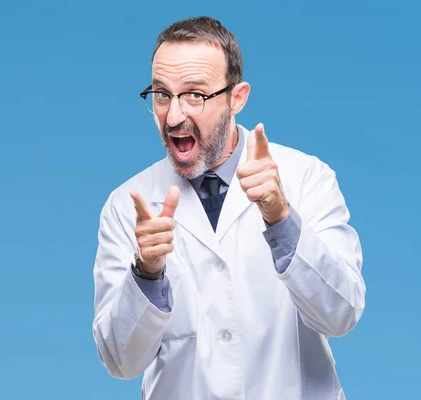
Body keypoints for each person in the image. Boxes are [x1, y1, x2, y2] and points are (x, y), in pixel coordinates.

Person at [92, 16, 365, 400]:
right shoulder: (127, 205)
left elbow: (341, 314)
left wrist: (281, 218)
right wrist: (147, 273)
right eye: (161, 94)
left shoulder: (306, 178)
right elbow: (121, 361)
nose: (173, 116)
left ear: (236, 97)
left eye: (195, 95)